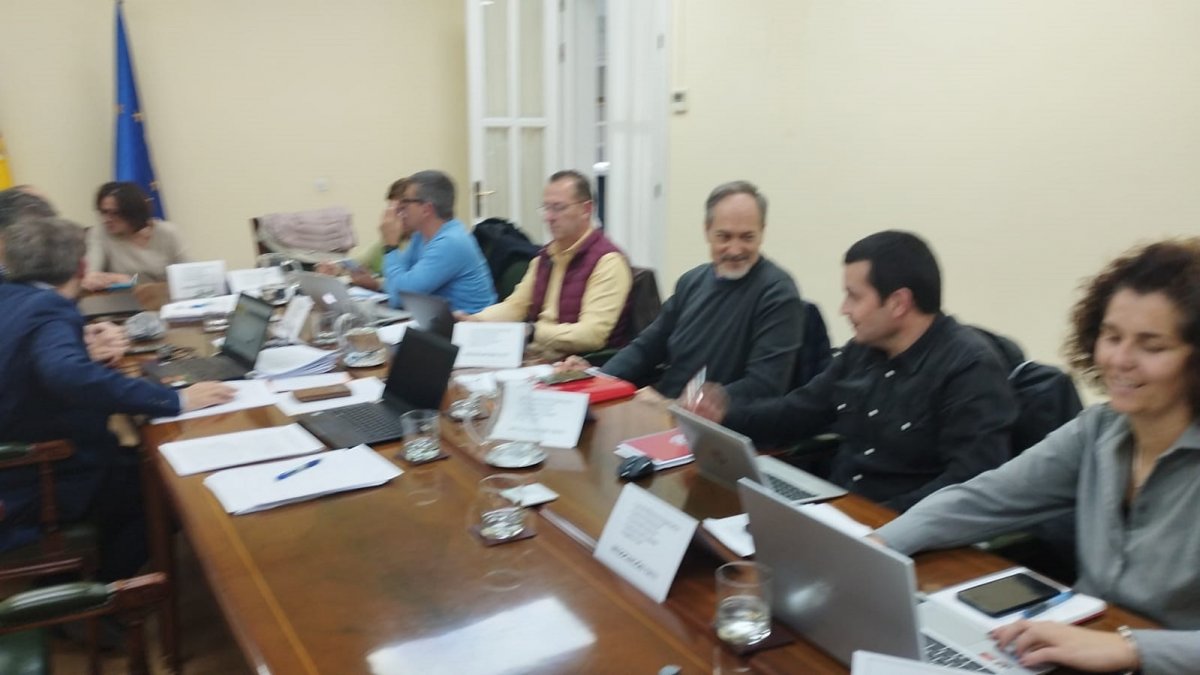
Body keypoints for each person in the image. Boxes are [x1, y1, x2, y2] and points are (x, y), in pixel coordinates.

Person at [871, 239, 1200, 674]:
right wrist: (877, 546)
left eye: (1151, 346)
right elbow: (985, 498)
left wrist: (1130, 648)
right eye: (1112, 336)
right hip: (1083, 643)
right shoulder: (1098, 430)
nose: (1120, 360)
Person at [692, 230, 1016, 511]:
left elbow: (968, 485)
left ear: (898, 303)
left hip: (905, 533)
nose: (843, 309)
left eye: (854, 296)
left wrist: (875, 525)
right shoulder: (862, 351)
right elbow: (797, 411)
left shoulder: (969, 369)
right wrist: (723, 414)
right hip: (840, 509)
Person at [0, 217, 233, 581]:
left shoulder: (10, 296)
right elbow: (66, 375)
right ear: (81, 267)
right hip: (41, 473)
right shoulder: (48, 308)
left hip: (19, 457)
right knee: (170, 492)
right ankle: (92, 592)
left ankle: (78, 576)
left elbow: (24, 360)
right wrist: (176, 400)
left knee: (139, 463)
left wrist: (81, 349)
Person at [564, 180, 803, 403]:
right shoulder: (692, 282)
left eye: (747, 237)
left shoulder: (778, 293)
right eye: (724, 236)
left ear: (762, 232)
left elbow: (764, 386)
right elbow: (646, 348)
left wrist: (678, 406)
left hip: (716, 426)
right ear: (707, 231)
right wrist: (599, 380)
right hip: (665, 410)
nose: (735, 249)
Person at [458, 170, 633, 359]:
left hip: (579, 363)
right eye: (546, 208)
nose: (548, 217)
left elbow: (591, 334)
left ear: (586, 210)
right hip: (539, 356)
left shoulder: (607, 261)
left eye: (558, 208)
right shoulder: (546, 256)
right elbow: (516, 306)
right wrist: (475, 321)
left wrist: (533, 331)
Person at [0, 186, 129, 364]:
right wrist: (80, 353)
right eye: (40, 231)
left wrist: (80, 335)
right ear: (5, 237)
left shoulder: (17, 273)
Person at [380, 170, 496, 314]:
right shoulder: (420, 237)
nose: (400, 210)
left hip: (468, 324)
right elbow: (396, 284)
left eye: (405, 203)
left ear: (426, 209)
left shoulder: (451, 242)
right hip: (437, 321)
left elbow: (400, 298)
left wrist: (391, 246)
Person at [82, 181, 187, 290]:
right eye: (103, 212)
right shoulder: (100, 233)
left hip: (166, 297)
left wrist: (131, 281)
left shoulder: (167, 232)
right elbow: (90, 276)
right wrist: (110, 278)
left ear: (132, 212)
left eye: (115, 213)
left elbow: (188, 275)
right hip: (121, 299)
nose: (107, 219)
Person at [315, 178, 412, 291]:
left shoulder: (420, 244)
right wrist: (336, 269)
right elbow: (357, 264)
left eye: (400, 210)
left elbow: (410, 285)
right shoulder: (388, 240)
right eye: (390, 211)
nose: (392, 217)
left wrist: (376, 284)